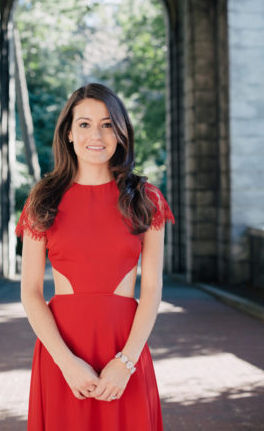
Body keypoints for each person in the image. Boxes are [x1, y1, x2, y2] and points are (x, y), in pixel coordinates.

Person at [15, 82, 175, 431]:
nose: (96, 134)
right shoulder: (42, 200)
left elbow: (151, 290)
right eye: (84, 124)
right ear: (69, 134)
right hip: (62, 352)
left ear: (120, 133)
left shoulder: (146, 199)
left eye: (107, 124)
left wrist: (125, 363)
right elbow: (30, 293)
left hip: (125, 348)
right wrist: (66, 362)